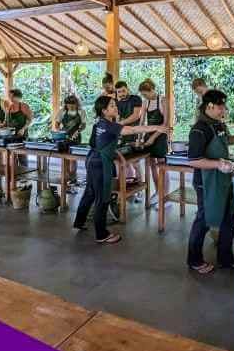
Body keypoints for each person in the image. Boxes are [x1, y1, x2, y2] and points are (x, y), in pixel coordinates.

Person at [72, 96, 169, 244]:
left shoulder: (99, 124)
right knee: (103, 198)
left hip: (92, 160)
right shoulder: (111, 125)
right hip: (101, 164)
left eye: (114, 105)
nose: (115, 107)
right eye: (111, 106)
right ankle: (101, 234)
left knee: (90, 193)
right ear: (104, 111)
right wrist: (157, 127)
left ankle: (79, 222)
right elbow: (133, 129)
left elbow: (94, 143)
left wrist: (115, 153)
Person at [187, 89, 234, 274]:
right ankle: (194, 259)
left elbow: (227, 141)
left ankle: (225, 258)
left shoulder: (218, 124)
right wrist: (217, 163)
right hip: (206, 181)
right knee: (205, 219)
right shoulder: (199, 129)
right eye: (221, 106)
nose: (224, 109)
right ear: (209, 106)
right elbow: (193, 160)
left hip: (223, 178)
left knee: (230, 216)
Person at [138, 79, 171, 206]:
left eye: (145, 94)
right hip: (149, 134)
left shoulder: (162, 100)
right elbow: (141, 122)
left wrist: (153, 138)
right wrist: (140, 137)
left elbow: (165, 123)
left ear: (152, 90)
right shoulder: (146, 102)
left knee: (162, 166)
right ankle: (158, 192)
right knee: (152, 165)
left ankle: (165, 196)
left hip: (160, 136)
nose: (144, 96)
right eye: (143, 95)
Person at [115, 80, 144, 198]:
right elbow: (116, 117)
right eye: (119, 92)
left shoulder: (136, 99)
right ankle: (127, 187)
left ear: (127, 88)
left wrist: (121, 123)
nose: (121, 93)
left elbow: (136, 116)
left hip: (134, 134)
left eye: (123, 90)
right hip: (122, 134)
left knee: (136, 163)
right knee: (123, 163)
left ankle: (139, 189)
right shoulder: (117, 102)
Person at [55, 94, 86, 183]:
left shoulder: (81, 112)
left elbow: (83, 125)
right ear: (66, 104)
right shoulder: (62, 111)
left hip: (76, 137)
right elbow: (57, 123)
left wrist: (78, 131)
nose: (71, 106)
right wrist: (60, 131)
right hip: (64, 137)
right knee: (64, 157)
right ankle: (65, 177)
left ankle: (73, 179)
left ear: (76, 104)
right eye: (69, 105)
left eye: (73, 104)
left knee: (73, 158)